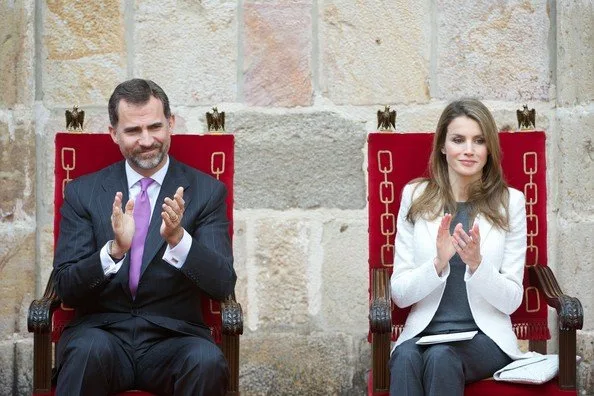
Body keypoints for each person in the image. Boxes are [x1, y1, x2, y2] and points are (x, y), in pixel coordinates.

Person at [53, 78, 236, 396]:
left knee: (206, 360)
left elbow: (222, 284)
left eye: (155, 127)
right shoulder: (83, 192)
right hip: (102, 335)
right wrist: (114, 250)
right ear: (114, 133)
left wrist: (178, 238)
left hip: (175, 339)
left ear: (171, 123)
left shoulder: (207, 192)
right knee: (84, 351)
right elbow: (67, 286)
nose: (147, 140)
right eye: (133, 131)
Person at [389, 99, 530, 395]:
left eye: (478, 141)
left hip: (484, 337)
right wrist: (437, 263)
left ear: (489, 148)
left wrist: (478, 265)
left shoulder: (510, 202)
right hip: (424, 333)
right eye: (458, 139)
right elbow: (400, 295)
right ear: (442, 146)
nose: (469, 150)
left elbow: (512, 300)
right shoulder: (414, 196)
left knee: (442, 358)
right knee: (404, 357)